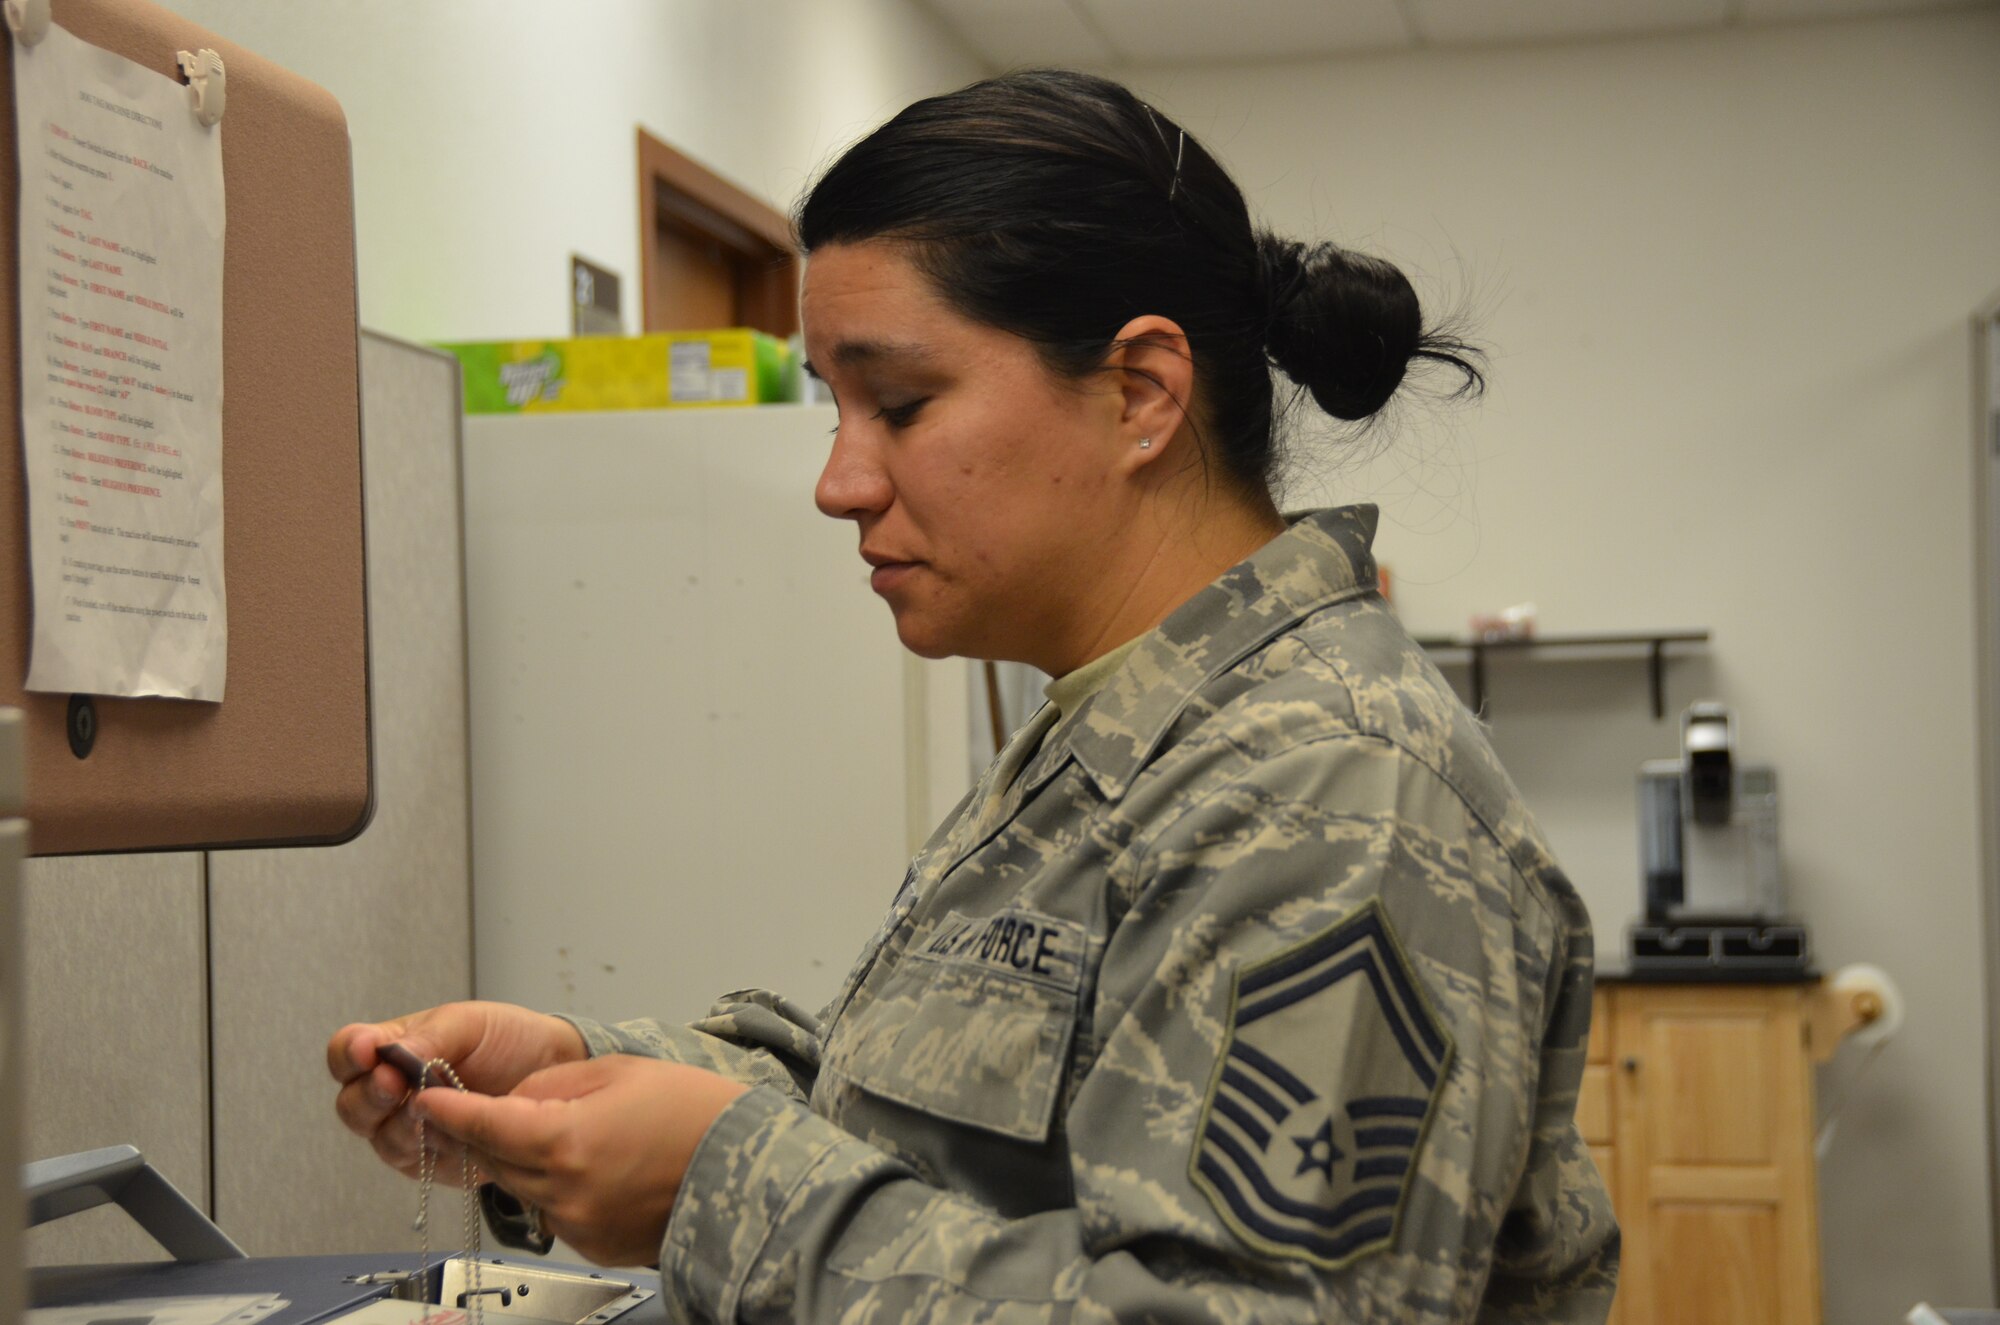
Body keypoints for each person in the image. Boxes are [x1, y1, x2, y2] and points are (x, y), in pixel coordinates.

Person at [329, 69, 1617, 1324]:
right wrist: (581, 1087)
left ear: (1140, 395)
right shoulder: (1122, 729)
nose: (839, 482)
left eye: (899, 403)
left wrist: (714, 1184)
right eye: (835, 409)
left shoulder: (1331, 790)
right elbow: (921, 1112)